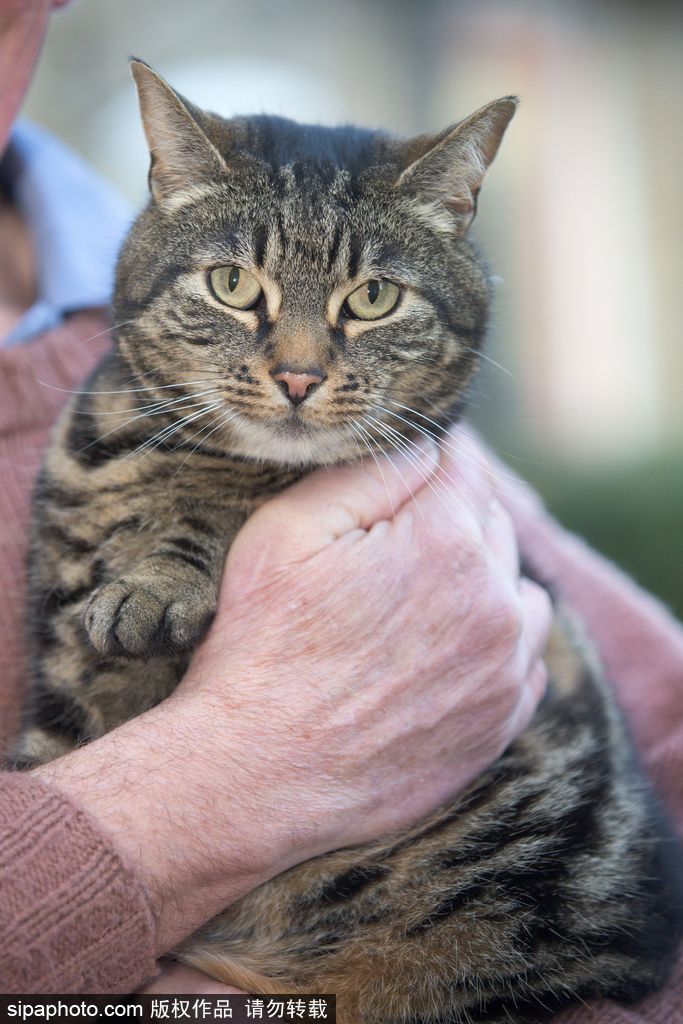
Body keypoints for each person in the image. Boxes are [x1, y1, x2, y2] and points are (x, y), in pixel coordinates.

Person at [1, 4, 681, 1017]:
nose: (299, 368)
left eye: (367, 303)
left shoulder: (410, 444)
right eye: (234, 288)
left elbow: (667, 726)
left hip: (477, 954)